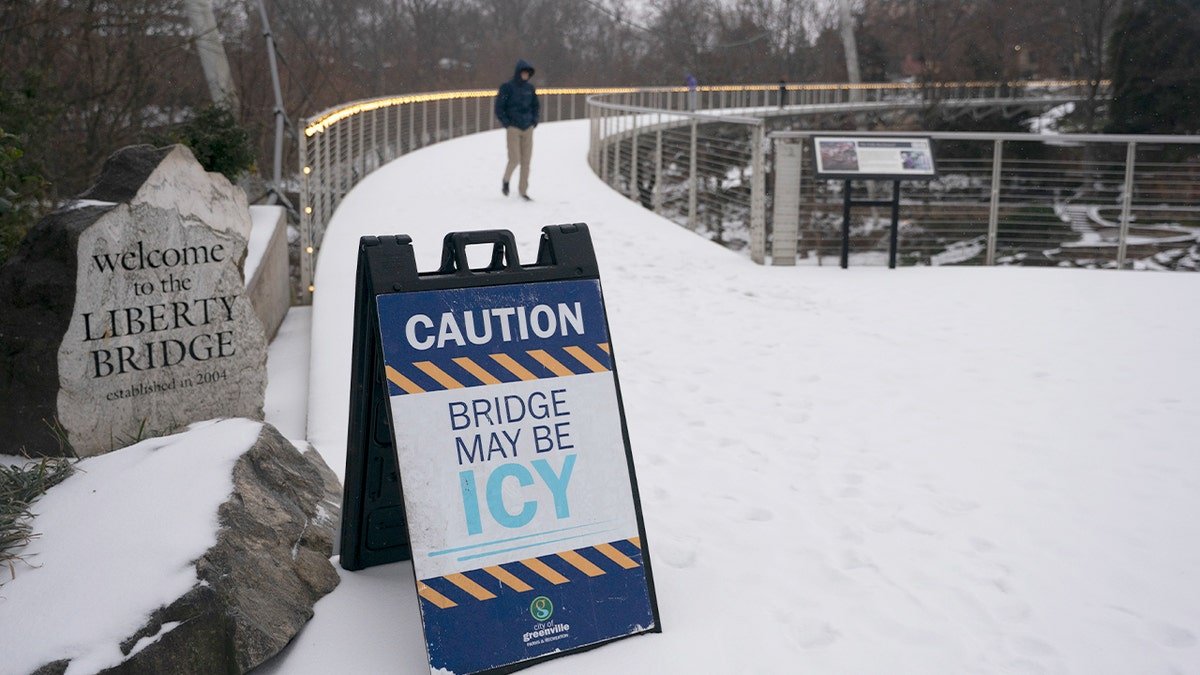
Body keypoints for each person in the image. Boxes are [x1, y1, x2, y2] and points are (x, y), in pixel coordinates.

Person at [495, 59, 540, 201]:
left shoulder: (530, 89)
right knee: (514, 159)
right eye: (524, 72)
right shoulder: (507, 87)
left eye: (528, 73)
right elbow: (499, 107)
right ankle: (506, 180)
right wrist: (506, 123)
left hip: (528, 127)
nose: (525, 75)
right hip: (513, 127)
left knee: (526, 161)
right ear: (518, 72)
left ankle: (523, 190)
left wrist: (534, 121)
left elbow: (535, 106)